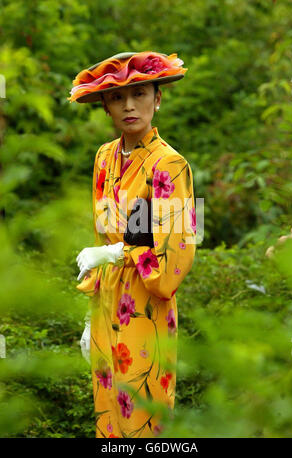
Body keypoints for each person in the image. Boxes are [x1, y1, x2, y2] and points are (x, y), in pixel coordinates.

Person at [68, 51, 197, 438]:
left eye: (140, 94)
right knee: (107, 411)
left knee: (143, 416)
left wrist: (117, 253)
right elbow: (101, 236)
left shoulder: (171, 166)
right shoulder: (104, 157)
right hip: (106, 298)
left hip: (146, 304)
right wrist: (89, 318)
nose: (129, 106)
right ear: (105, 105)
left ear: (158, 98)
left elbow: (175, 256)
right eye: (117, 97)